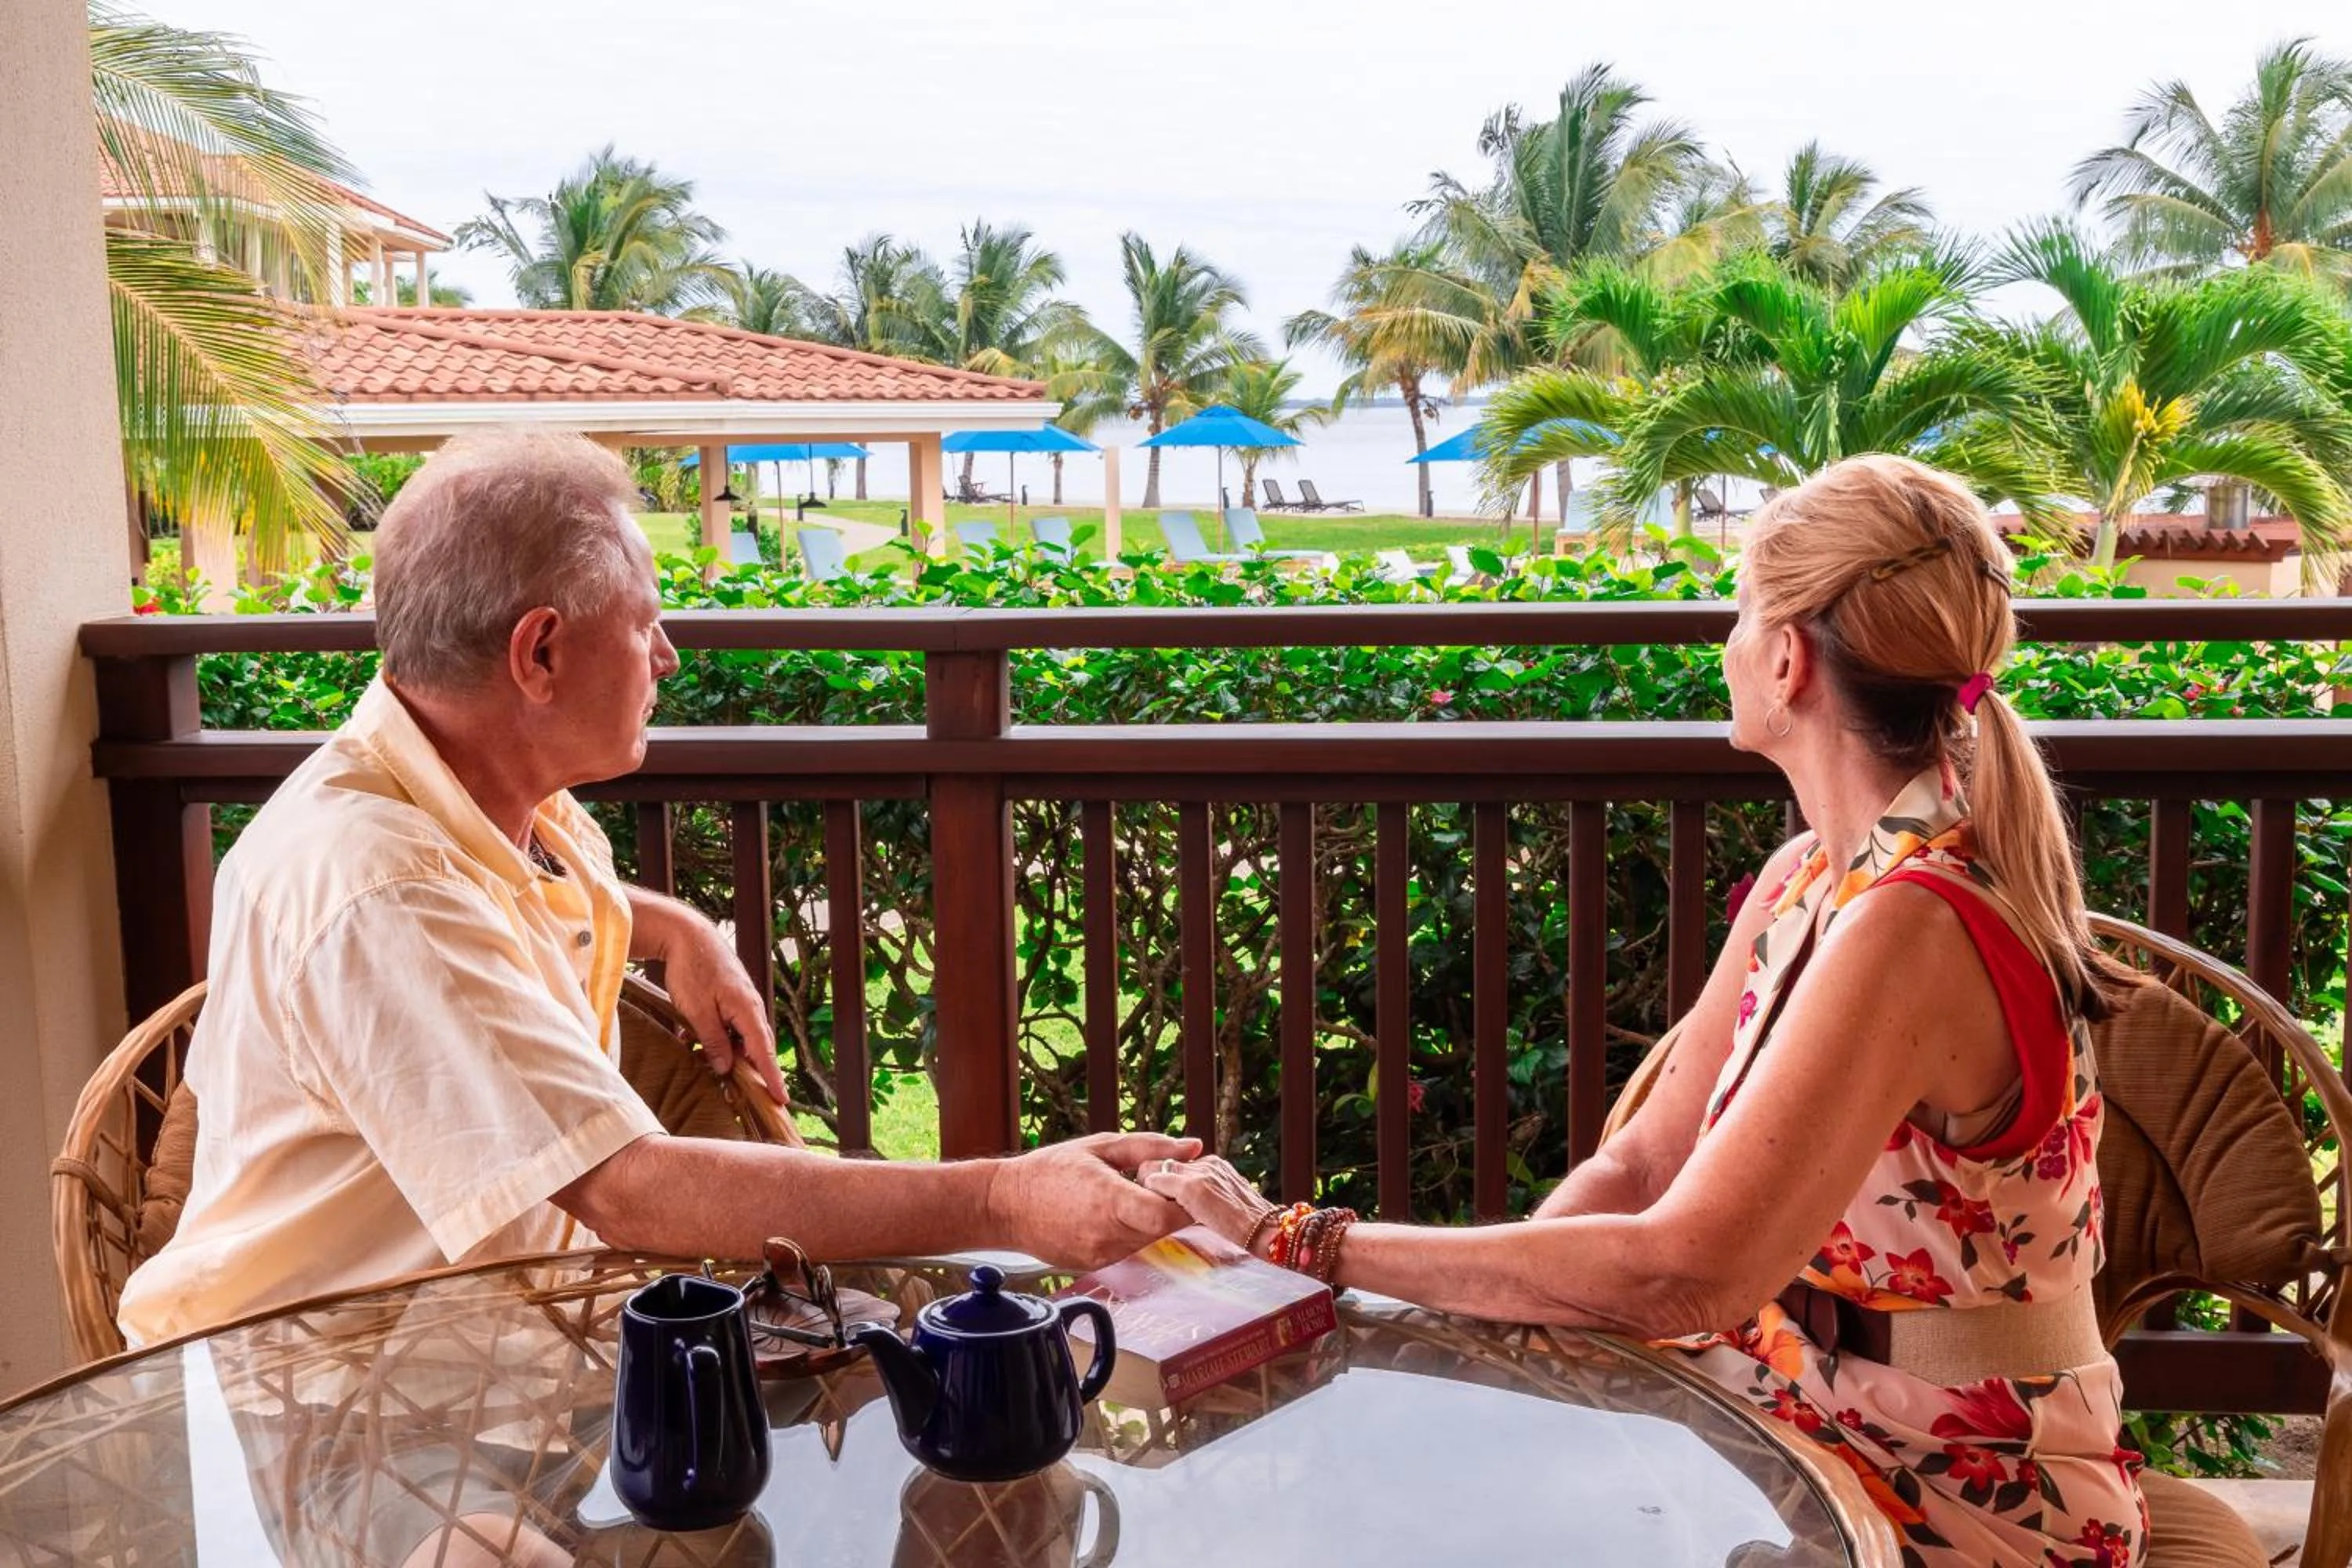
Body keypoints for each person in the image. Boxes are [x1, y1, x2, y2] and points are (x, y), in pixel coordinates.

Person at [1145, 456, 2149, 1566]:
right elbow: (1640, 1168)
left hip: (1949, 1478)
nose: (1728, 645)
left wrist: (1296, 1241)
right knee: (1404, 1490)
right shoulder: (1810, 879)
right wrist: (1481, 1335)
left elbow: (1684, 1271)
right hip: (1786, 1406)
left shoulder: (1912, 922)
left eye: (1741, 612)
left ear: (1787, 659)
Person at [121, 427, 1192, 1349]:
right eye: (644, 625)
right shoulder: (376, 882)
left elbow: (493, 919)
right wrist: (1004, 1195)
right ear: (540, 654)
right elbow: (626, 1188)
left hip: (500, 1350)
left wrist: (673, 927)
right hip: (337, 1403)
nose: (668, 657)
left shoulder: (476, 800)